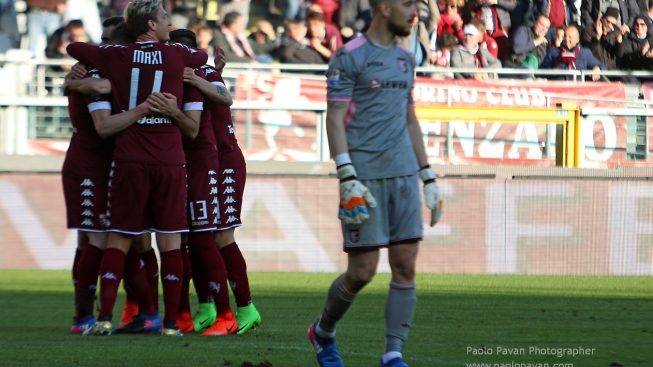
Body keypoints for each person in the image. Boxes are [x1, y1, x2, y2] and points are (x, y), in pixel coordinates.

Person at [307, 1, 442, 367]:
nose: (415, 12)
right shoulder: (348, 56)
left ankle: (393, 353)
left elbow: (409, 118)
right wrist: (346, 174)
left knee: (405, 265)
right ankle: (322, 332)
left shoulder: (406, 58)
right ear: (384, 7)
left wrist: (427, 174)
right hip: (363, 178)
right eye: (407, 5)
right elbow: (334, 120)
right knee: (362, 272)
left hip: (403, 175)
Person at [66, 0, 208, 336]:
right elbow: (200, 56)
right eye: (162, 17)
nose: (168, 22)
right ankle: (171, 322)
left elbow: (75, 47)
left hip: (129, 156)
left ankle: (102, 317)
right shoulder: (176, 54)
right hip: (170, 158)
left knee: (118, 239)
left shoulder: (116, 56)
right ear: (149, 24)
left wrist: (98, 60)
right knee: (170, 241)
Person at [541, 24, 606, 80]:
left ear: (577, 39)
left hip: (577, 90)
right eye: (565, 36)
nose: (566, 39)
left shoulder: (585, 53)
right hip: (558, 88)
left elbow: (602, 66)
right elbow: (542, 71)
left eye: (570, 37)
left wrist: (598, 68)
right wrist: (553, 72)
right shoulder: (554, 52)